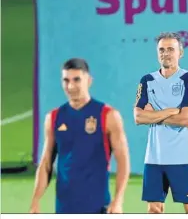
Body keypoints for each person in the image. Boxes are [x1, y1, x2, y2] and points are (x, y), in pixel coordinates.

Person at [30, 58, 130, 214]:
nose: (71, 86)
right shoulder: (54, 117)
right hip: (64, 208)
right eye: (66, 80)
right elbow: (46, 163)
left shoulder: (108, 115)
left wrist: (118, 201)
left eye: (77, 80)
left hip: (98, 207)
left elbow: (123, 161)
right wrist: (36, 200)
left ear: (89, 81)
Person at [133, 32, 188, 214]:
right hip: (154, 157)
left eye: (171, 49)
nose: (166, 53)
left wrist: (153, 115)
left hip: (183, 157)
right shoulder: (147, 81)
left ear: (180, 53)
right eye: (161, 49)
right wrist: (171, 111)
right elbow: (138, 118)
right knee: (154, 209)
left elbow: (187, 119)